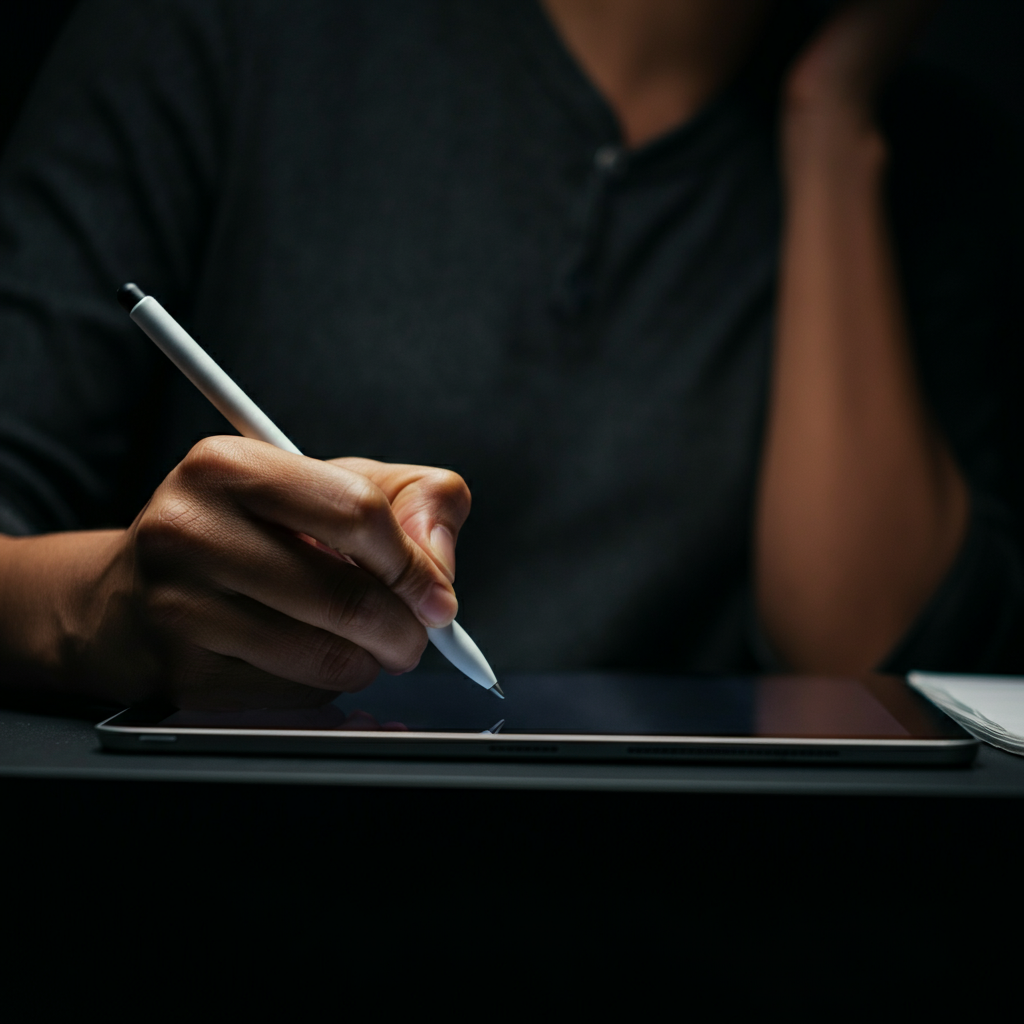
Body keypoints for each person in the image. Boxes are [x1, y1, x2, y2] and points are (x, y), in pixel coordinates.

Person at [0, 0, 1019, 710]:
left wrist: (831, 120)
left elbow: (872, 671)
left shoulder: (928, 164)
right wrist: (108, 609)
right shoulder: (225, 30)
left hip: (697, 906)